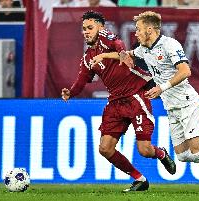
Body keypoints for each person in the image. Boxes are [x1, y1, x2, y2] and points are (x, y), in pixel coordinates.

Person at [118, 11, 199, 193]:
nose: (135, 33)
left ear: (150, 30)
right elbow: (128, 54)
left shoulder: (170, 45)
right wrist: (112, 56)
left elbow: (185, 71)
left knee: (198, 151)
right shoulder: (144, 49)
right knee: (183, 155)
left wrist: (161, 88)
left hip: (186, 102)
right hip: (172, 107)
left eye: (138, 29)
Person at [61, 11, 176, 192]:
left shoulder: (106, 38)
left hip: (135, 95)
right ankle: (140, 179)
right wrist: (71, 92)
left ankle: (161, 153)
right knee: (105, 148)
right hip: (115, 102)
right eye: (84, 29)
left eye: (90, 28)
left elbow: (118, 42)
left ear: (100, 28)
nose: (86, 32)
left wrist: (122, 53)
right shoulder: (88, 58)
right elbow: (82, 80)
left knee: (145, 150)